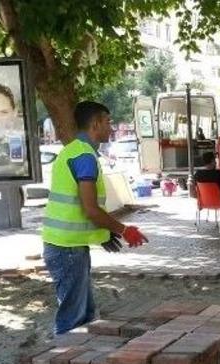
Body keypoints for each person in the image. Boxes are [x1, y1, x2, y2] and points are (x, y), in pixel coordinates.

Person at [42, 101, 148, 335]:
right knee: (72, 319)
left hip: (67, 246)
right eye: (108, 122)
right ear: (95, 123)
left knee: (86, 314)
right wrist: (124, 230)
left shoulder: (75, 151)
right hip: (66, 249)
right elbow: (90, 209)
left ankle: (79, 363)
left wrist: (104, 233)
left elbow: (80, 209)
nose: (111, 128)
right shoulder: (84, 157)